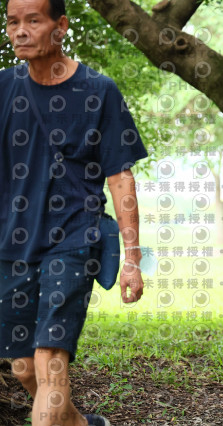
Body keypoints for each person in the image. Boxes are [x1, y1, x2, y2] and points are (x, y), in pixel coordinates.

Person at [1, 1, 148, 425]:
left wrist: (132, 259)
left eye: (33, 20)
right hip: (13, 244)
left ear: (61, 25)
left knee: (49, 358)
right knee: (23, 366)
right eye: (13, 22)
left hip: (74, 239)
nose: (20, 31)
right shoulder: (4, 88)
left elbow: (120, 178)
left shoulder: (99, 91)